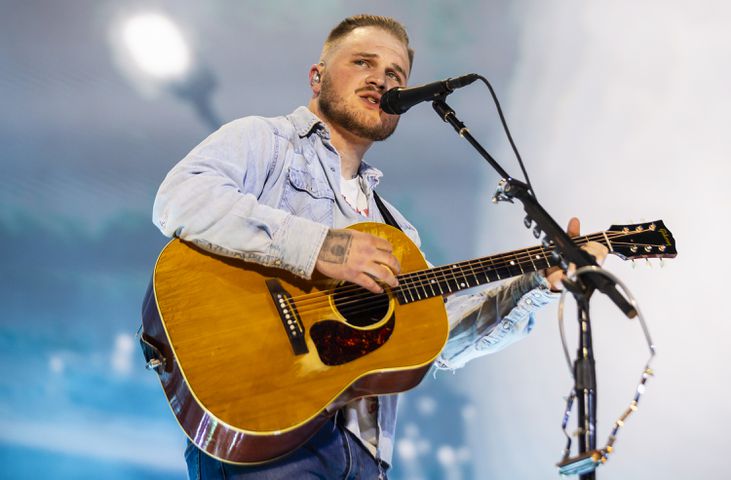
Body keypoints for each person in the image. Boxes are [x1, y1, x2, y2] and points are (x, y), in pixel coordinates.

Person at [153, 14, 605, 480]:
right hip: (269, 433)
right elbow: (179, 199)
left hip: (366, 458)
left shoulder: (396, 230)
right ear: (318, 76)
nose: (381, 80)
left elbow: (442, 339)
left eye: (395, 75)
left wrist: (536, 282)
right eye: (363, 62)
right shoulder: (267, 141)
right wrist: (323, 248)